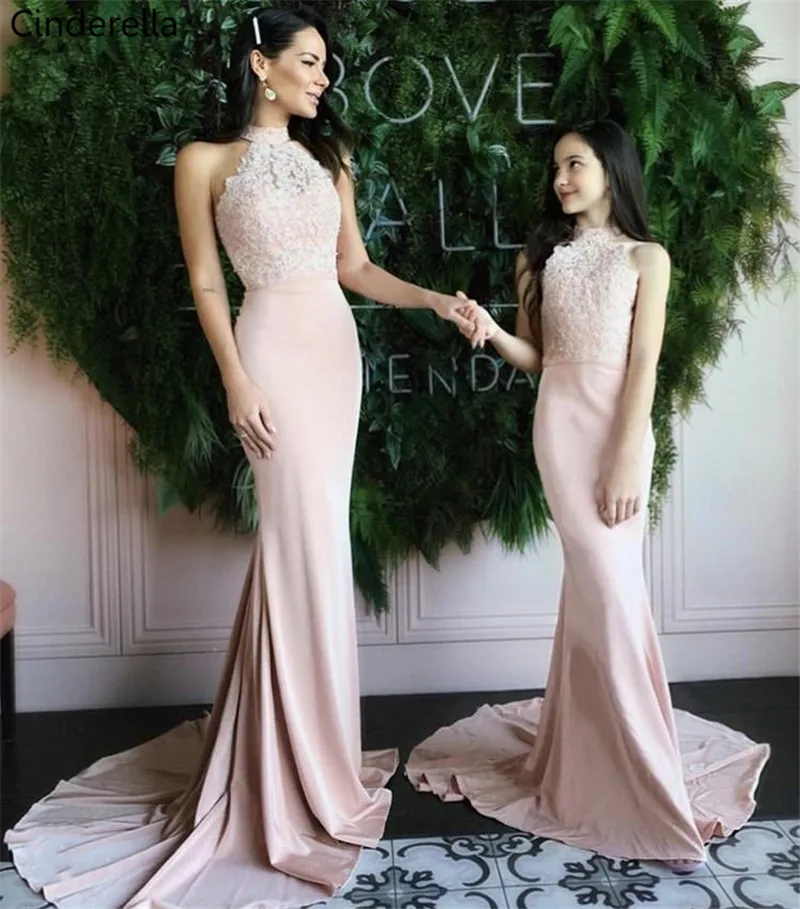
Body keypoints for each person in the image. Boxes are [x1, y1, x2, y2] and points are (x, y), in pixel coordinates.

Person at [4, 8, 477, 909]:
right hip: (269, 353)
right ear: (261, 64)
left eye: (327, 67)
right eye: (309, 62)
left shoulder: (331, 159)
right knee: (294, 547)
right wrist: (233, 376)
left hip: (333, 353)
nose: (324, 78)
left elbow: (355, 267)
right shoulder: (203, 161)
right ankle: (283, 769)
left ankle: (310, 758)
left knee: (318, 548)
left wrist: (432, 300)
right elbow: (206, 279)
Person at [406, 119, 771, 872]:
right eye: (556, 167)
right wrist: (490, 331)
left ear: (612, 169)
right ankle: (599, 759)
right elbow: (537, 356)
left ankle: (630, 761)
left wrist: (627, 455)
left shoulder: (647, 257)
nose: (561, 179)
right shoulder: (536, 258)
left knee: (610, 589)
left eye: (575, 164)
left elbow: (645, 363)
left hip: (617, 430)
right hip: (560, 428)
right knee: (598, 587)